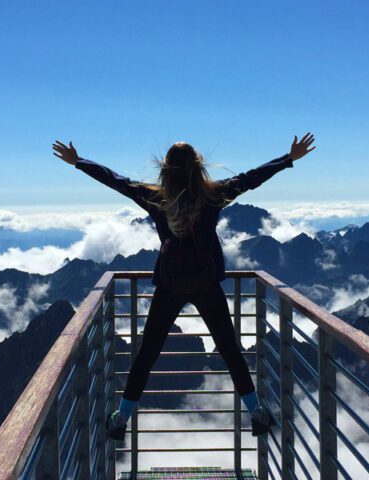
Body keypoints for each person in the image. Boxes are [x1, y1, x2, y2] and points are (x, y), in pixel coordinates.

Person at [52, 133, 316, 441]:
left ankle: (121, 417)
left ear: (166, 169)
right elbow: (251, 178)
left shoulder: (155, 198)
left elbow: (116, 181)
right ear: (198, 166)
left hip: (170, 284)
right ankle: (256, 411)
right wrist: (288, 158)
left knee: (147, 352)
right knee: (230, 350)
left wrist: (79, 162)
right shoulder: (213, 196)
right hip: (206, 284)